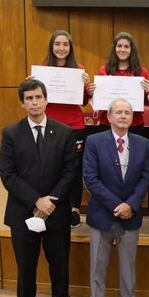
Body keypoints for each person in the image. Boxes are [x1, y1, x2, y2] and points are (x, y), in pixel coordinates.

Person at [0, 79, 77, 297]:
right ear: (23, 103)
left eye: (38, 97)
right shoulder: (11, 133)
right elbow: (8, 174)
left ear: (46, 100)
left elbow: (70, 172)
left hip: (56, 211)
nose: (34, 102)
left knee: (59, 262)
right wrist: (36, 200)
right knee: (26, 265)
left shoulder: (64, 132)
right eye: (29, 98)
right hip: (23, 212)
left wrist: (50, 200)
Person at [82, 98, 149, 297]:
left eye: (127, 113)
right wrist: (117, 205)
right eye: (118, 112)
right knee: (98, 265)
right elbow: (90, 179)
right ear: (108, 117)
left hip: (130, 214)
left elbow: (145, 177)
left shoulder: (142, 143)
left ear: (133, 118)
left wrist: (130, 204)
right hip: (103, 213)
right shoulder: (94, 141)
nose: (123, 116)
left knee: (128, 264)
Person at [40, 30, 91, 228]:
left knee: (74, 168)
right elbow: (36, 97)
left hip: (74, 125)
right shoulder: (42, 70)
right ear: (52, 47)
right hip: (50, 124)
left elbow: (84, 101)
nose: (61, 48)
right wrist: (32, 82)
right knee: (51, 166)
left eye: (65, 44)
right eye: (58, 44)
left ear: (70, 48)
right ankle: (51, 203)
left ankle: (74, 208)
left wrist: (85, 86)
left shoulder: (79, 69)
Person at [88, 32, 149, 138]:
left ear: (132, 50)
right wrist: (92, 92)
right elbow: (99, 99)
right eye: (119, 46)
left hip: (134, 124)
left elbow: (145, 102)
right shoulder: (104, 70)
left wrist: (148, 91)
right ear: (115, 49)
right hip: (107, 123)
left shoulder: (141, 72)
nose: (122, 50)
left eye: (126, 46)